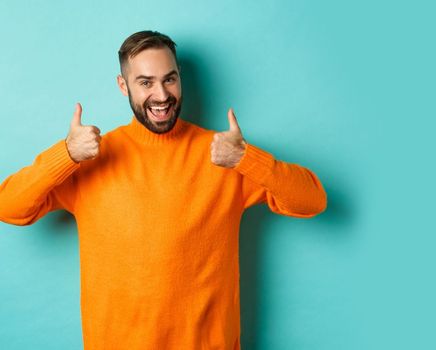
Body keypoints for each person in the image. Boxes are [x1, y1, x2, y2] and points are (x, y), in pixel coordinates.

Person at [0, 30, 327, 349]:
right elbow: (9, 207)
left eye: (169, 79)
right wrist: (66, 155)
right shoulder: (92, 158)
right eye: (146, 82)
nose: (161, 95)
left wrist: (246, 158)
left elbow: (312, 200)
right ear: (123, 85)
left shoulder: (223, 155)